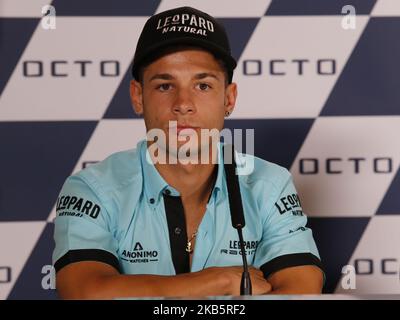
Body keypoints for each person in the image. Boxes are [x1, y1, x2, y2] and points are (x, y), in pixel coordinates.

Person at [52, 6, 324, 299]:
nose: (183, 103)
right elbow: (83, 293)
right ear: (138, 96)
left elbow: (302, 290)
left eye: (203, 85)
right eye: (165, 85)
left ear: (229, 99)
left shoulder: (269, 184)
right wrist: (218, 281)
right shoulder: (92, 189)